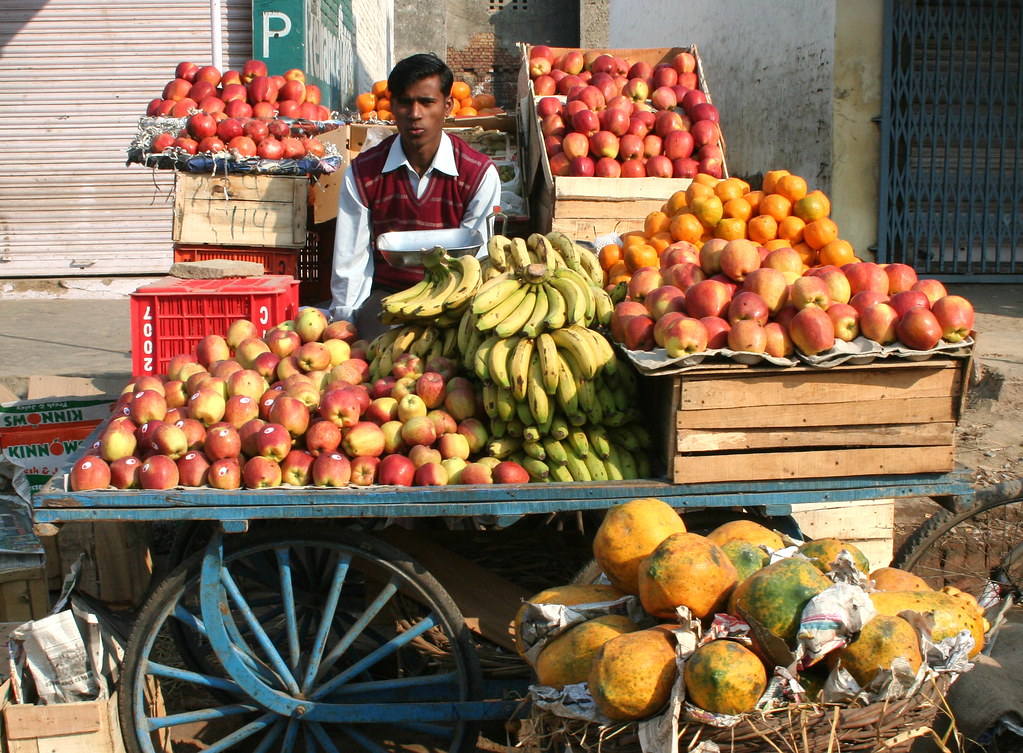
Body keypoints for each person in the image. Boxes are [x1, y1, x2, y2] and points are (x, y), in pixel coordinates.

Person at [328, 53, 503, 338]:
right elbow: (351, 258)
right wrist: (345, 324)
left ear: (447, 106)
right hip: (387, 296)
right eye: (405, 102)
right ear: (392, 106)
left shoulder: (478, 173)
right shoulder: (364, 173)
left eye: (427, 102)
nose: (415, 114)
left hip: (452, 300)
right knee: (375, 359)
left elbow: (478, 260)